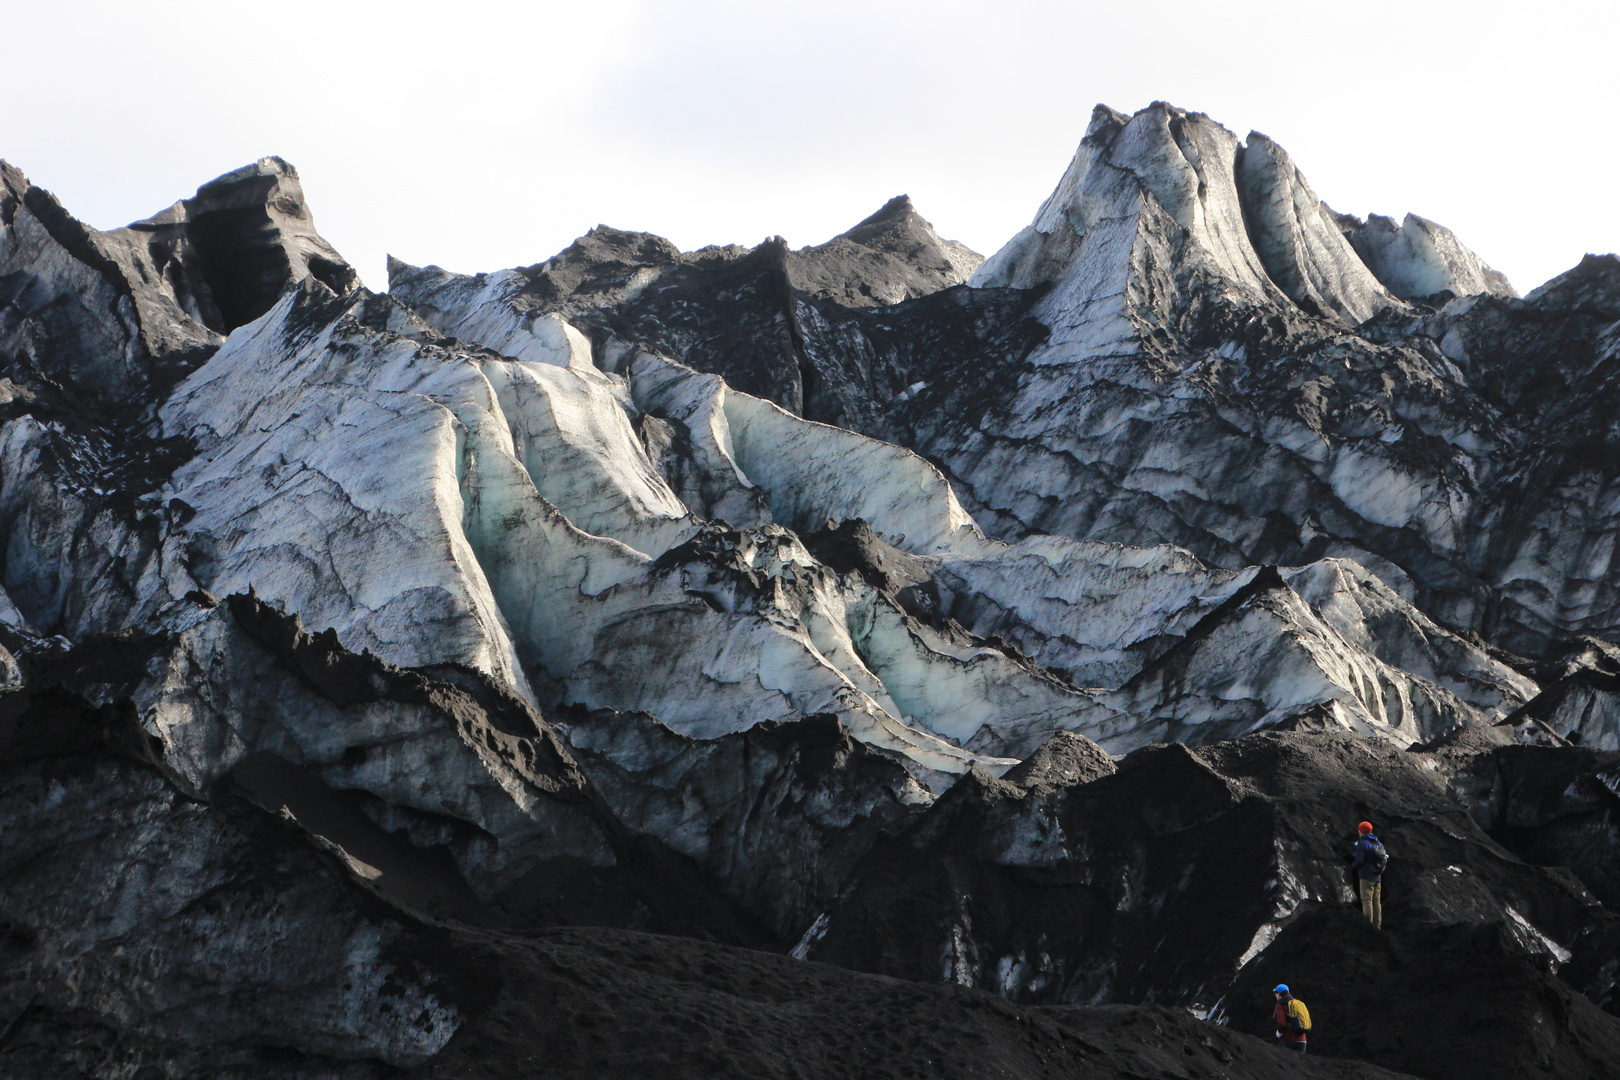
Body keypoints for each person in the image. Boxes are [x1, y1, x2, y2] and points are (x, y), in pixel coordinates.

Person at [1350, 821, 1387, 930]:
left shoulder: (1363, 843)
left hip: (1366, 876)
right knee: (1376, 902)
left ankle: (1368, 926)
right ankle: (1377, 926)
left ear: (1361, 831)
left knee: (1367, 900)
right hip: (1377, 877)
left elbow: (1360, 861)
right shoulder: (1378, 843)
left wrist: (1353, 865)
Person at [1272, 984, 1310, 1054]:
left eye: (1276, 993)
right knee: (1299, 1064)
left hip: (1288, 1040)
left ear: (1279, 994)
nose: (1275, 995)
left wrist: (1279, 1033)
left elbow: (1282, 1024)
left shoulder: (1280, 1005)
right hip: (1303, 1041)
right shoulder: (1297, 1004)